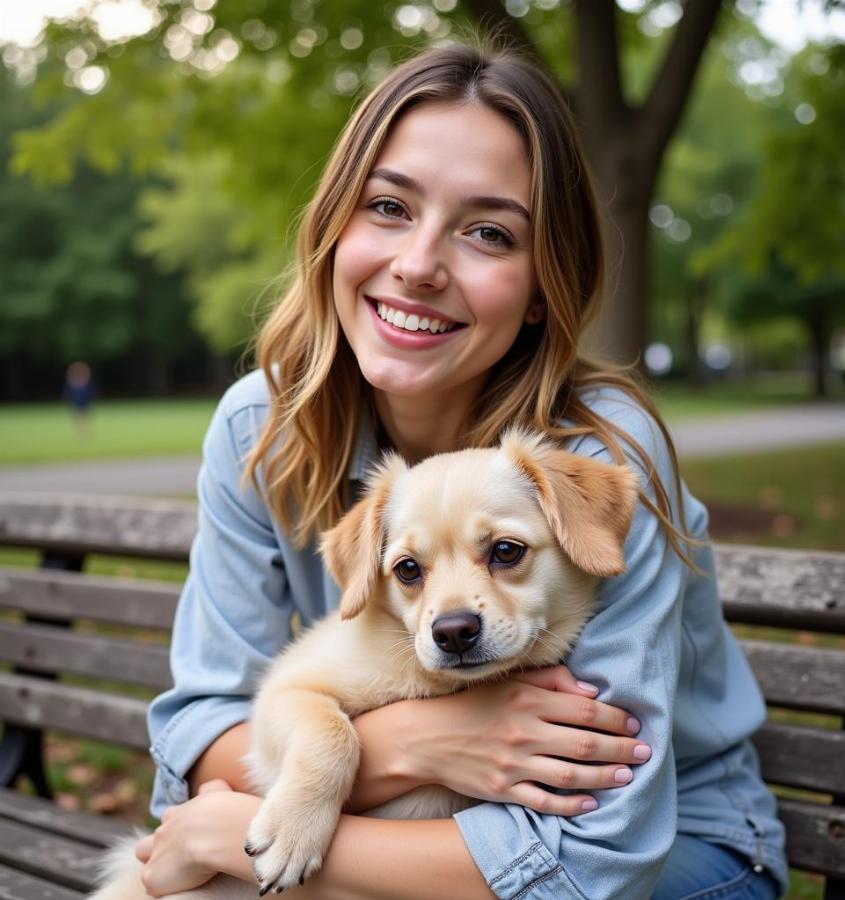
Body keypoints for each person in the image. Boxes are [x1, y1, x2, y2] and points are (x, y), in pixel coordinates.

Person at [136, 42, 787, 900]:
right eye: (388, 206)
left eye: (488, 231)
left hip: (680, 850)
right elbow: (201, 736)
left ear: (545, 283)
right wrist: (419, 743)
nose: (418, 265)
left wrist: (230, 840)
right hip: (418, 828)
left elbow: (596, 858)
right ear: (336, 226)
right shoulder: (264, 428)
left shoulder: (598, 457)